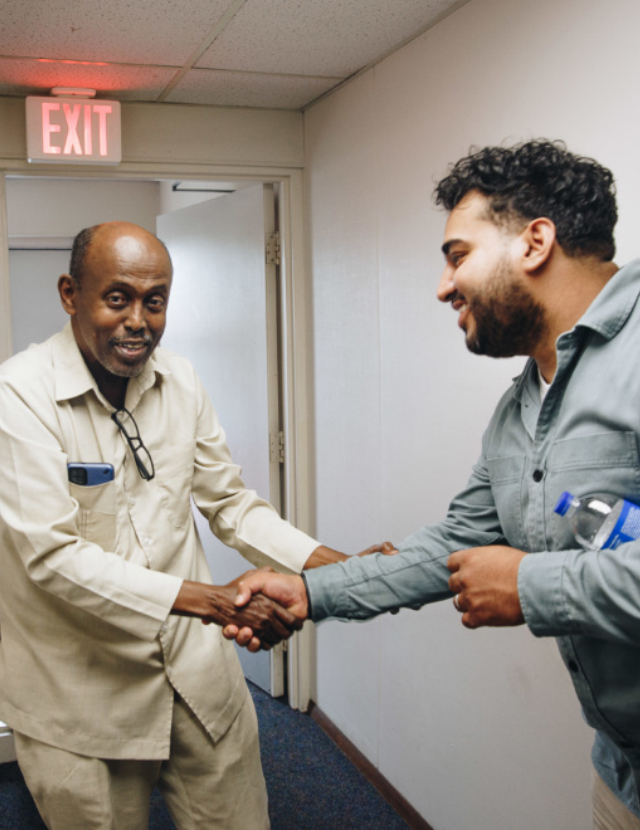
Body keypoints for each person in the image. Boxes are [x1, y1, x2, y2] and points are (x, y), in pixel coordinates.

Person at [227, 140, 640, 828]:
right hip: (621, 774)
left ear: (536, 242)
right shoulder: (520, 410)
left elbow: (530, 573)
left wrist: (530, 583)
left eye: (457, 255)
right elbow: (450, 544)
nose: (444, 286)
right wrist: (307, 593)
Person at [0, 220, 393, 830]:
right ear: (70, 294)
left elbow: (230, 504)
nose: (138, 320)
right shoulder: (18, 396)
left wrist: (339, 568)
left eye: (154, 301)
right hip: (81, 692)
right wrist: (214, 603)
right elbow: (54, 559)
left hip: (195, 675)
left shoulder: (179, 380)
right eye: (118, 298)